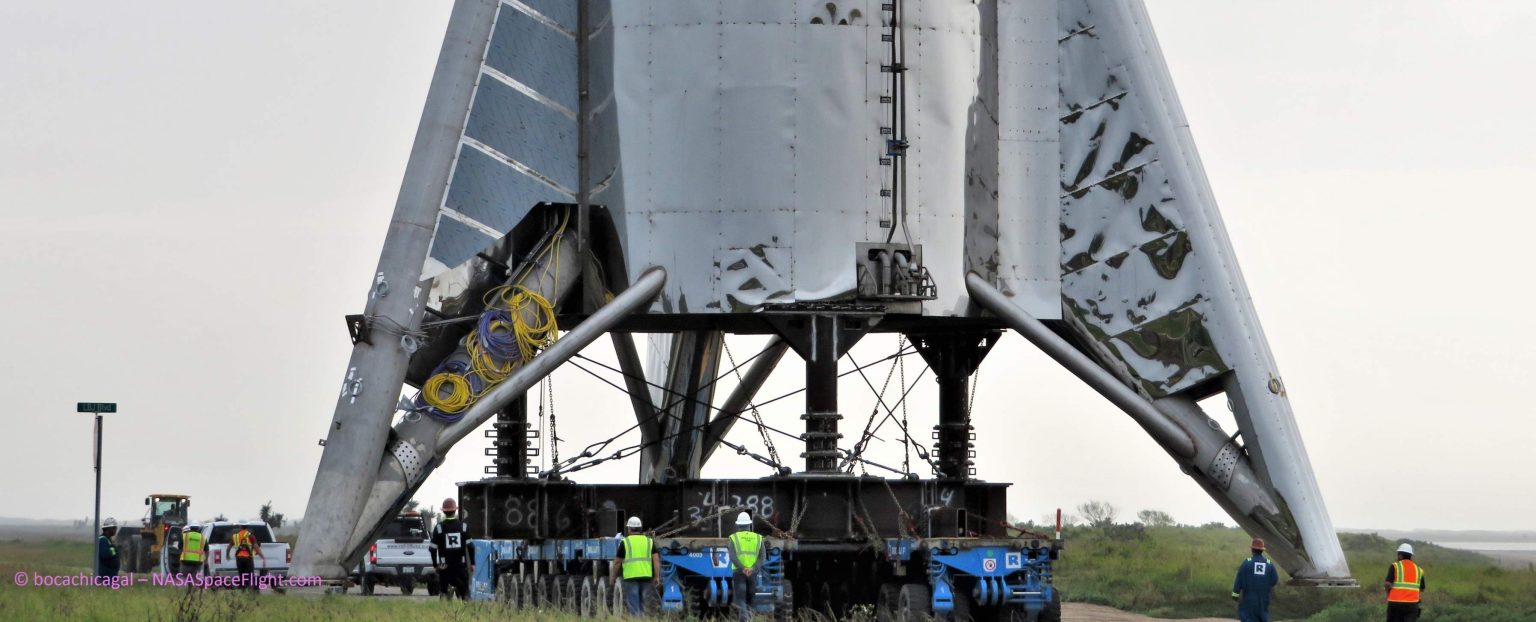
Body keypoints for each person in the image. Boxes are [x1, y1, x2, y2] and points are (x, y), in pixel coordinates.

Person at [610, 515, 660, 615]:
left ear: (629, 529)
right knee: (644, 606)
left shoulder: (625, 542)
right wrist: (657, 576)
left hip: (631, 577)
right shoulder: (649, 541)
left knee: (634, 607)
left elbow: (617, 562)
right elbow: (656, 560)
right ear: (640, 528)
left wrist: (613, 576)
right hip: (646, 577)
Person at [727, 512, 765, 622]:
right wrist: (753, 568)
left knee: (741, 599)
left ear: (738, 525)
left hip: (739, 573)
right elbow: (762, 556)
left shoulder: (734, 538)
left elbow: (732, 556)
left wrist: (743, 568)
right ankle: (750, 619)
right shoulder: (758, 538)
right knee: (751, 599)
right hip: (753, 573)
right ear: (749, 524)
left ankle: (744, 620)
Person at [1231, 537, 1279, 622]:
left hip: (1249, 599)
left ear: (1252, 550)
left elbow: (1239, 580)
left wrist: (1235, 595)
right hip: (1263, 599)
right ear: (1262, 550)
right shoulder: (1269, 564)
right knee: (1263, 617)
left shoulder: (1246, 563)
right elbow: (1274, 580)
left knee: (1248, 617)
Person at [432, 497, 470, 600]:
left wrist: (435, 565)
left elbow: (432, 549)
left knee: (444, 593)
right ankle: (465, 603)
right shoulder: (463, 526)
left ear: (444, 511)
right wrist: (472, 563)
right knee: (465, 595)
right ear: (455, 510)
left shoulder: (439, 528)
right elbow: (471, 546)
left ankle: (445, 606)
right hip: (460, 566)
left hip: (445, 567)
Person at [1384, 543, 1425, 622]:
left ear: (1400, 555)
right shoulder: (1419, 570)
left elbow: (1387, 584)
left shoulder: (1395, 566)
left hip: (1395, 603)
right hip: (1412, 605)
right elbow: (1422, 589)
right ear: (1411, 556)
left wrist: (1387, 593)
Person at [229, 524, 265, 591]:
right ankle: (250, 590)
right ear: (247, 527)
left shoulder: (235, 536)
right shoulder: (251, 536)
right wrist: (263, 557)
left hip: (239, 559)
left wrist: (227, 555)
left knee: (241, 576)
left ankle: (243, 590)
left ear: (240, 527)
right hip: (248, 558)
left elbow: (228, 548)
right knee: (250, 576)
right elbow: (256, 548)